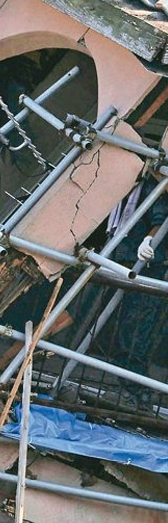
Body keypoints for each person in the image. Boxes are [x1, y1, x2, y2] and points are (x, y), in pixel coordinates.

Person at [108, 172, 168, 410]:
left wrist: (149, 241)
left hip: (145, 266)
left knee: (135, 329)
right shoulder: (124, 187)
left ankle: (135, 390)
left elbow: (159, 220)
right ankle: (131, 388)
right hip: (122, 260)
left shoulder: (150, 187)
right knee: (128, 327)